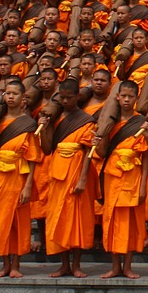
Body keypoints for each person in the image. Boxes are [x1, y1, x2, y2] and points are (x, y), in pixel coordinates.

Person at [40, 79, 97, 278]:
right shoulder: (54, 118)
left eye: (69, 97)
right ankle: (64, 264)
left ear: (77, 97)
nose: (65, 101)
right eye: (61, 97)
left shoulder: (86, 120)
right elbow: (47, 148)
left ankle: (77, 264)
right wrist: (45, 128)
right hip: (57, 173)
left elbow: (89, 151)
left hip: (77, 171)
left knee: (77, 219)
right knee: (58, 218)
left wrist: (82, 179)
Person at [0, 79, 42, 279]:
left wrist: (28, 186)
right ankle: (5, 264)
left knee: (18, 222)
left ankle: (16, 264)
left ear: (22, 98)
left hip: (19, 177)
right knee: (1, 222)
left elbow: (33, 157)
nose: (10, 97)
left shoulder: (28, 124)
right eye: (7, 93)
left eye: (14, 94)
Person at [100, 81, 148, 279]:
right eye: (124, 96)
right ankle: (115, 266)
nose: (127, 100)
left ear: (136, 99)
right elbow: (103, 152)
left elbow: (146, 156)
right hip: (113, 177)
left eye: (131, 97)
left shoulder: (141, 122)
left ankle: (128, 266)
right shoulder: (109, 122)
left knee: (131, 224)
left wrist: (143, 186)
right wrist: (100, 139)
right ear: (118, 97)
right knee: (112, 221)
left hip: (133, 176)